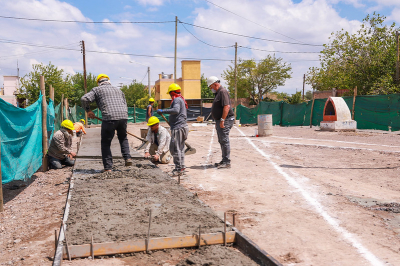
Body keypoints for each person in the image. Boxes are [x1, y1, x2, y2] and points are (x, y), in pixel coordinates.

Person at [81, 73, 132, 172]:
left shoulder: (97, 89)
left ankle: (108, 168)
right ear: (108, 81)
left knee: (106, 142)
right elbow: (124, 104)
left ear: (98, 82)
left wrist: (88, 110)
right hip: (123, 116)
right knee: (123, 137)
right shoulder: (118, 90)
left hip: (109, 117)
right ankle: (128, 158)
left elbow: (84, 99)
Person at [157, 83, 189, 175]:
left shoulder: (177, 100)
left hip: (178, 128)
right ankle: (181, 167)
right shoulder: (180, 99)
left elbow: (175, 110)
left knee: (175, 149)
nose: (170, 95)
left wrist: (163, 110)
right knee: (180, 148)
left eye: (170, 93)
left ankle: (179, 169)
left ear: (172, 92)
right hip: (181, 127)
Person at [207, 76, 235, 169]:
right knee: (222, 140)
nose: (211, 89)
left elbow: (226, 106)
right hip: (221, 119)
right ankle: (224, 160)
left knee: (224, 140)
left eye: (211, 87)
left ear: (215, 84)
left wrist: (222, 120)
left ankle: (227, 162)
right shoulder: (218, 93)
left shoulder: (222, 92)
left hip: (226, 119)